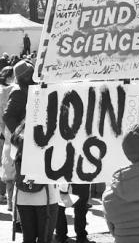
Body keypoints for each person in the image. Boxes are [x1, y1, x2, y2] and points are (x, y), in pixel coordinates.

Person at [3, 60, 60, 243]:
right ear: (26, 76)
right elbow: (8, 115)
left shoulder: (35, 88)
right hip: (29, 160)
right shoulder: (20, 91)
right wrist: (22, 139)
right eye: (31, 73)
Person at [0, 66, 14, 210]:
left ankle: (5, 198)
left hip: (3, 132)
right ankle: (11, 203)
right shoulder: (13, 90)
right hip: (9, 133)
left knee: (6, 168)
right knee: (10, 169)